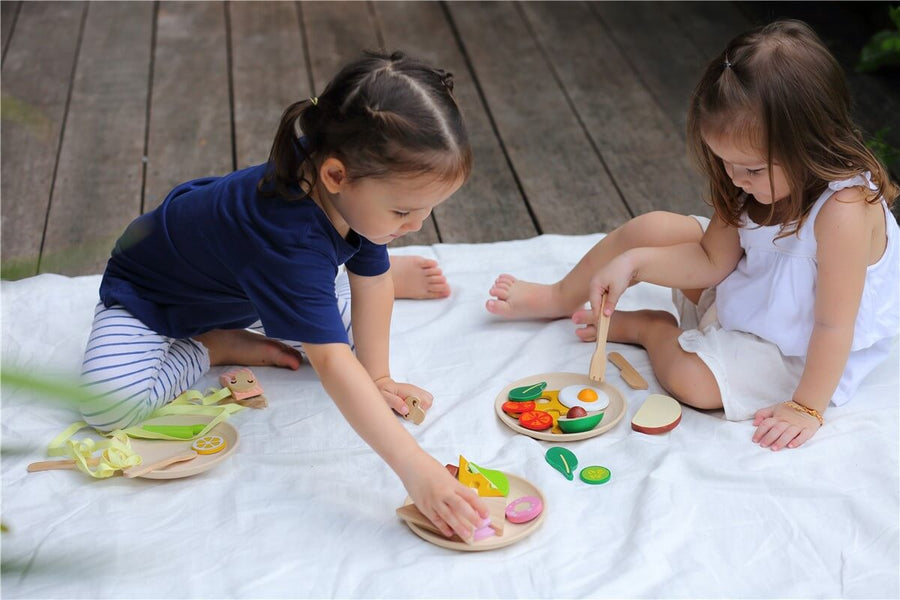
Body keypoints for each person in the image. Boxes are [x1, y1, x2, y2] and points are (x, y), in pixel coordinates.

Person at [79, 51, 487, 539]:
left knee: (359, 359)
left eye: (427, 212)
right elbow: (333, 364)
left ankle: (317, 292)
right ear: (336, 176)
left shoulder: (345, 175)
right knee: (107, 408)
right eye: (404, 212)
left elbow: (371, 277)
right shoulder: (289, 239)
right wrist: (416, 467)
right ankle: (211, 344)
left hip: (247, 287)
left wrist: (378, 376)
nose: (417, 226)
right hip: (154, 296)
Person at [486, 20, 899, 451]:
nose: (736, 179)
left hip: (803, 349)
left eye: (752, 169)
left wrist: (807, 407)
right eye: (724, 162)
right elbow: (710, 261)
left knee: (693, 383)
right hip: (751, 295)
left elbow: (833, 325)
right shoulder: (748, 183)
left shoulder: (844, 211)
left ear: (811, 144)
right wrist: (635, 265)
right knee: (652, 230)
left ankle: (652, 329)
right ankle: (559, 295)